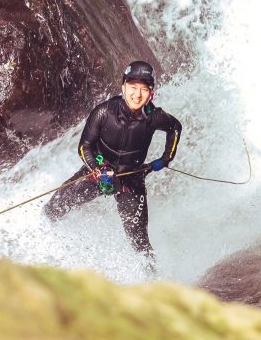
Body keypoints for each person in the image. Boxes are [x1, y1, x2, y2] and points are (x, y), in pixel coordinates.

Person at [44, 60, 182, 272]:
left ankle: (152, 280)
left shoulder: (154, 117)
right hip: (98, 173)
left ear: (151, 93)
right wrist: (97, 170)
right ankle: (40, 252)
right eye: (133, 87)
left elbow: (175, 127)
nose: (137, 94)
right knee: (55, 206)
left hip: (131, 181)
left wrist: (165, 159)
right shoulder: (104, 112)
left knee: (140, 242)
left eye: (144, 89)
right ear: (123, 87)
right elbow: (84, 146)